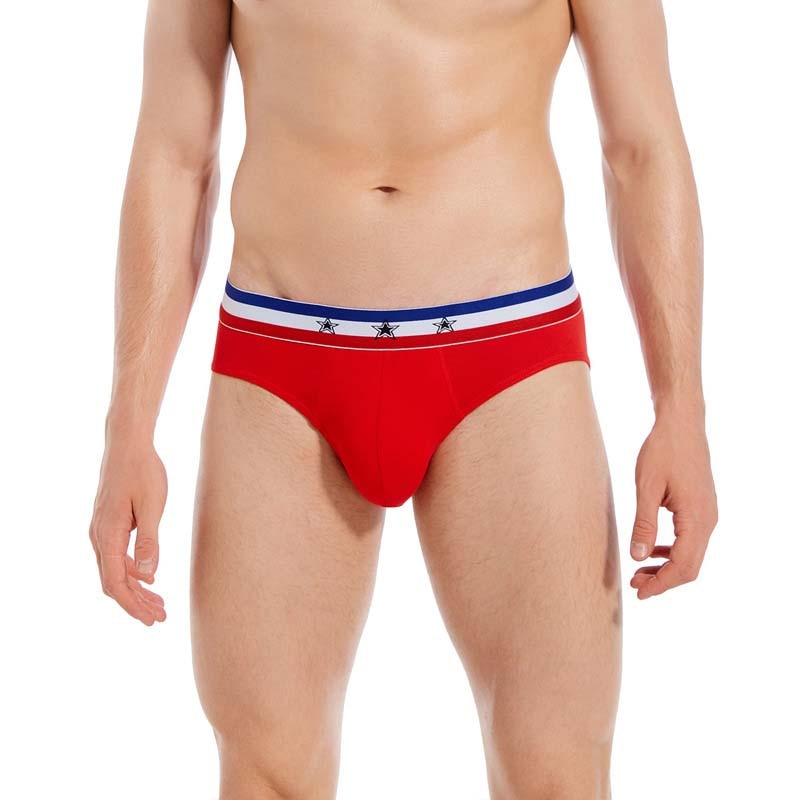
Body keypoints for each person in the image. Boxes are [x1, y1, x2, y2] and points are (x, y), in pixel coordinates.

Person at [88, 1, 718, 797]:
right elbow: (174, 153)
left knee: (557, 772)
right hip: (283, 354)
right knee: (265, 775)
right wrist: (129, 427)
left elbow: (642, 147)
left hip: (509, 350)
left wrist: (681, 409)